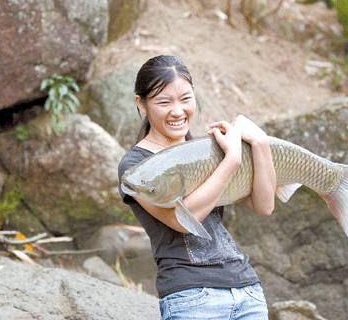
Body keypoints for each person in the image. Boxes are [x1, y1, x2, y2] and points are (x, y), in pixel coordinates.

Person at [117, 55, 277, 319]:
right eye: (164, 102)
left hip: (246, 290)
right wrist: (232, 161)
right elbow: (183, 220)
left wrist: (260, 144)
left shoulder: (210, 149)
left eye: (186, 98)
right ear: (141, 104)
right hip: (192, 297)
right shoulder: (137, 168)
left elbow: (265, 205)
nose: (177, 111)